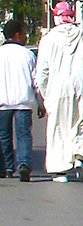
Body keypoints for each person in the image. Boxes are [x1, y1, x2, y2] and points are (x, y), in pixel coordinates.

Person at [34, 1, 83, 182]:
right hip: (82, 85)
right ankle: (79, 156)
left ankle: (60, 170)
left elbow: (42, 71)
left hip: (57, 87)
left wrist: (45, 94)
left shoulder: (49, 39)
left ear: (56, 17)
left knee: (59, 126)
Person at [0, 19, 43, 181]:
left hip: (2, 102)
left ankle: (7, 167)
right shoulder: (27, 55)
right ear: (17, 35)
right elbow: (35, 81)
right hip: (23, 102)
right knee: (23, 135)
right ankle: (24, 164)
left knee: (3, 136)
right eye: (24, 33)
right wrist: (40, 103)